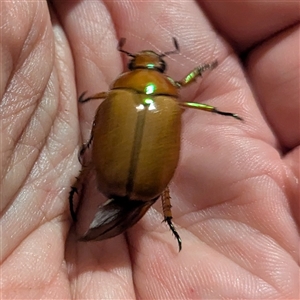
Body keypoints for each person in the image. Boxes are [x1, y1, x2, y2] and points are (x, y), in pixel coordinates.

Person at [1, 1, 298, 298]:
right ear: (162, 73)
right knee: (155, 179)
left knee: (94, 163)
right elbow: (186, 86)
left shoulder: (113, 97)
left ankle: (82, 193)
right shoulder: (173, 99)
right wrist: (213, 97)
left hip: (112, 174)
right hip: (146, 182)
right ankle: (163, 218)